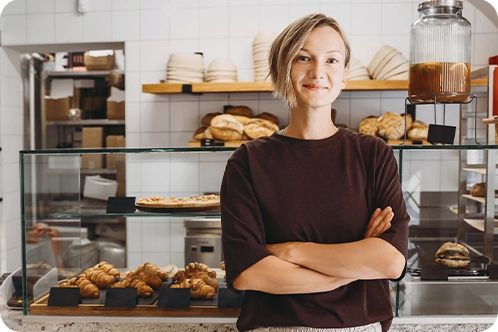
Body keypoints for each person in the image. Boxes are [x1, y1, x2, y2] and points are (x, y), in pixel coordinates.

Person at [220, 13, 409, 332]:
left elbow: (390, 261)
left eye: (332, 60)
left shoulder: (373, 154)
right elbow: (249, 273)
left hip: (360, 326)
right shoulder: (248, 162)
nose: (318, 71)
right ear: (282, 68)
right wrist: (356, 262)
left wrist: (289, 251)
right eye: (303, 57)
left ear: (345, 75)